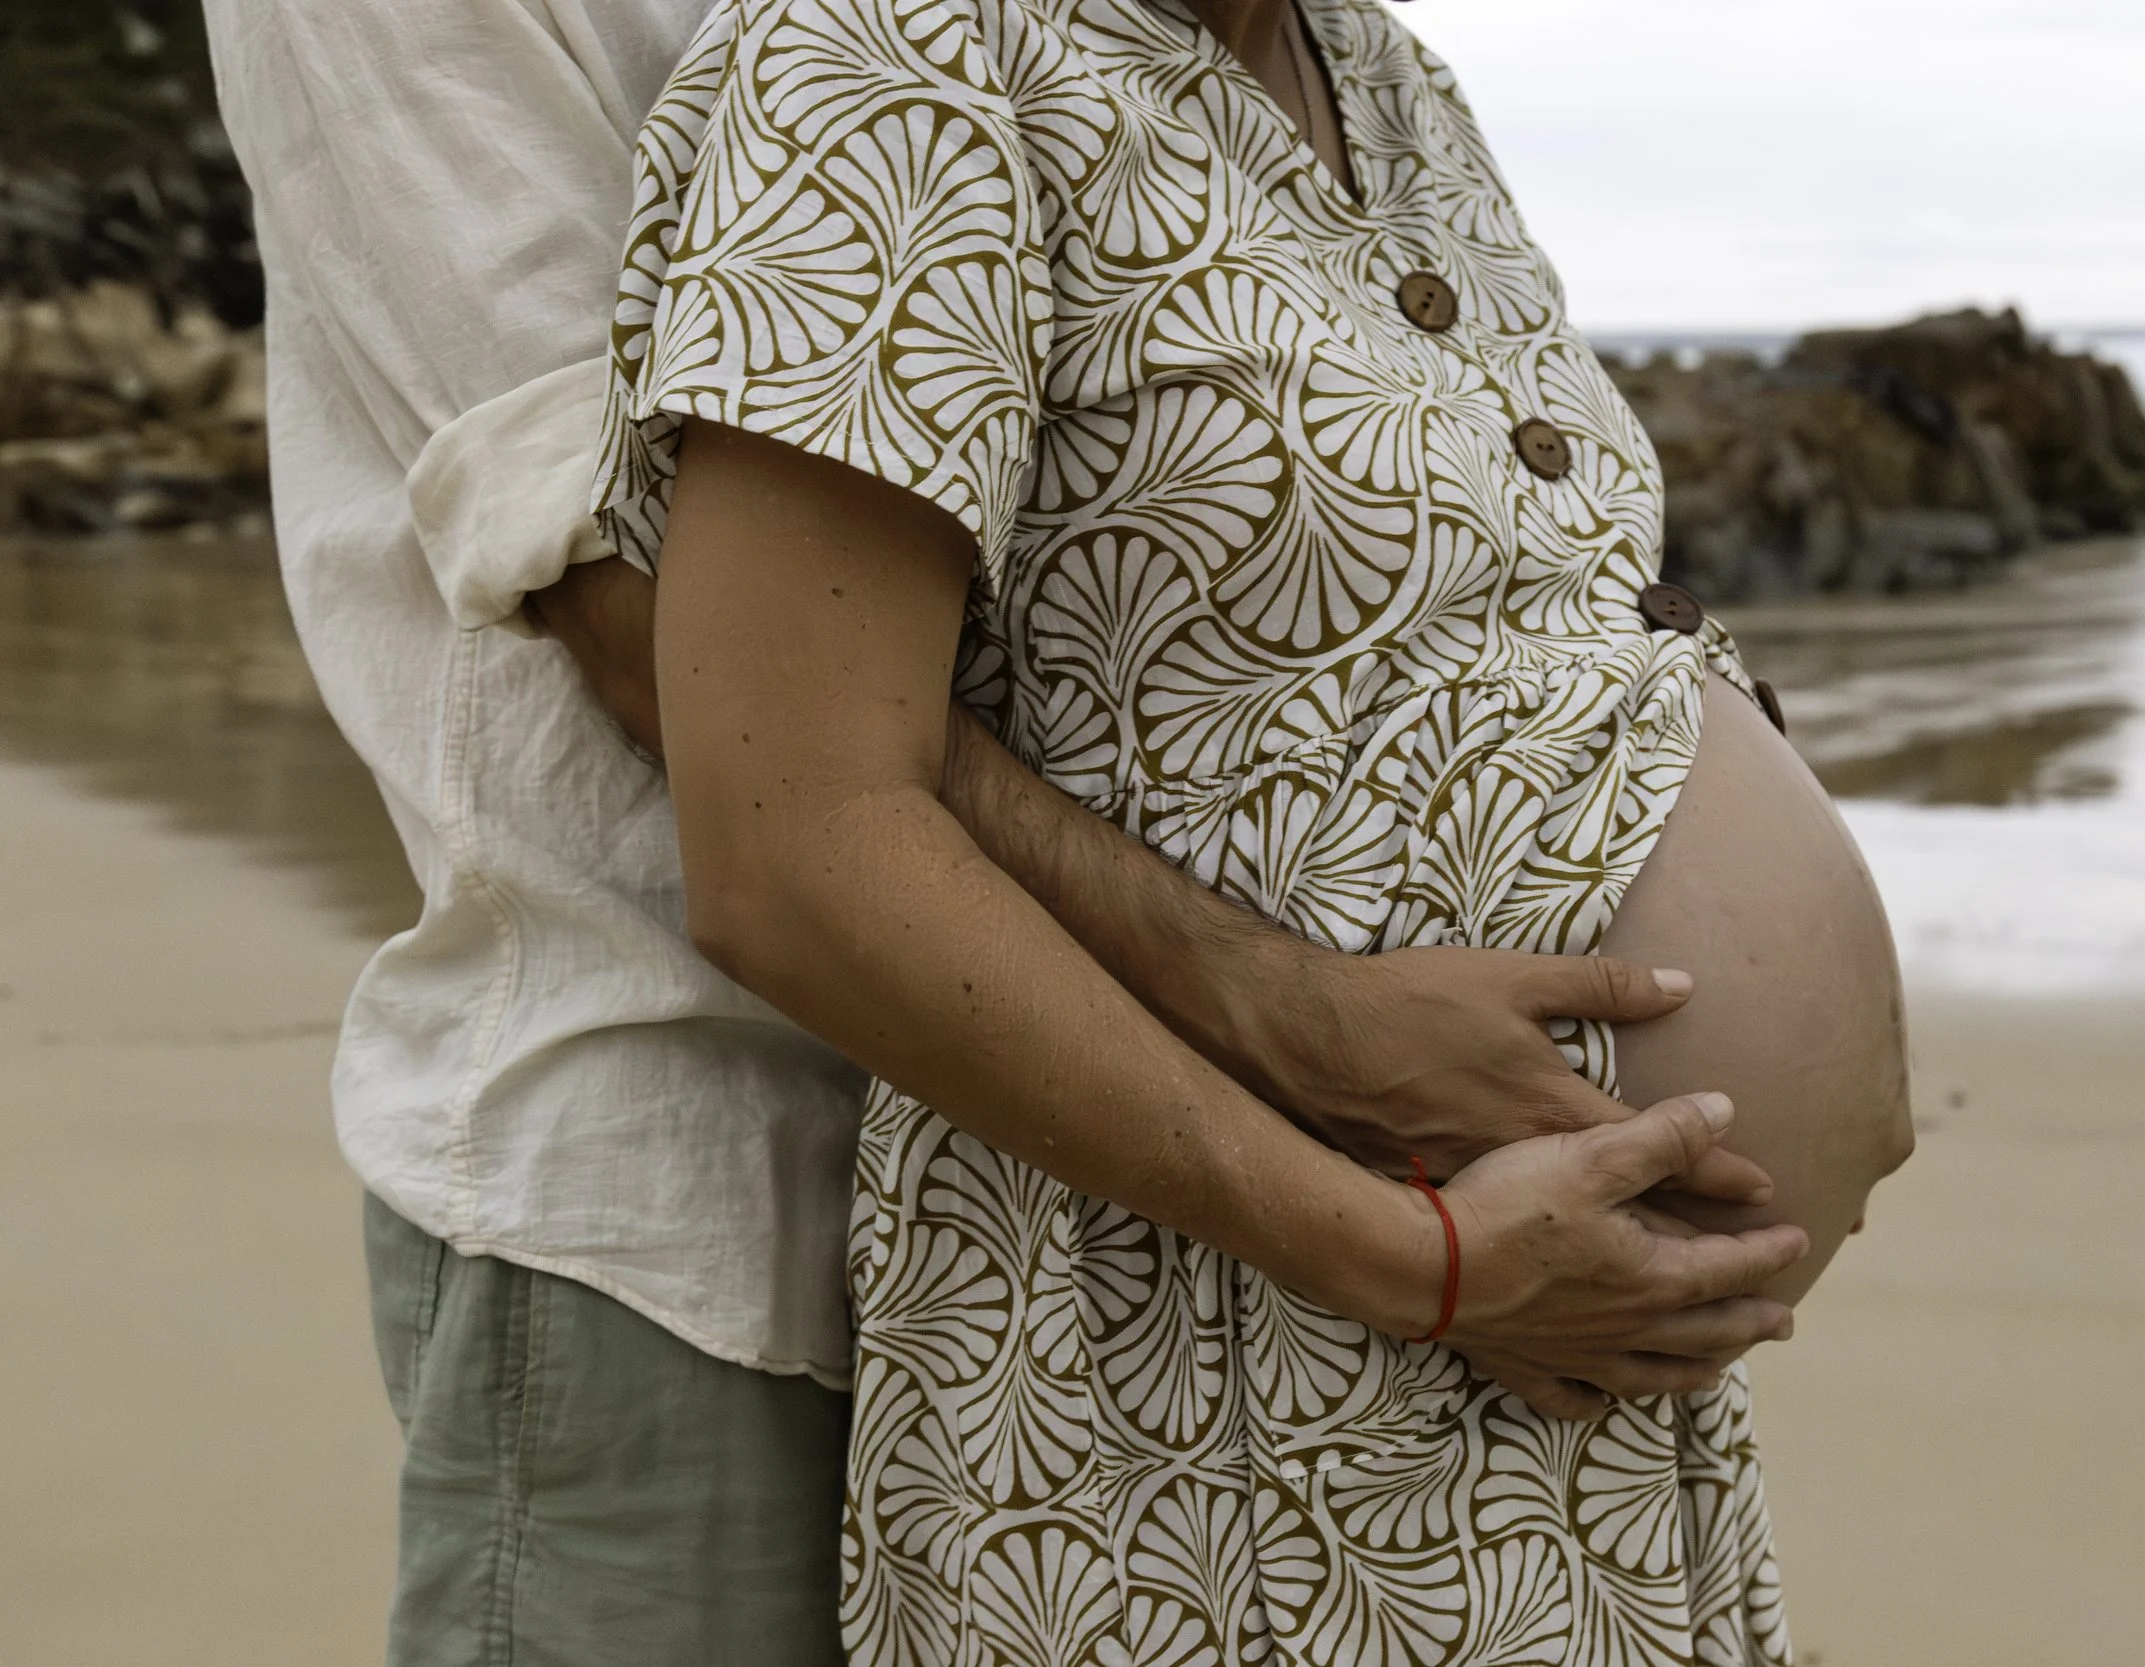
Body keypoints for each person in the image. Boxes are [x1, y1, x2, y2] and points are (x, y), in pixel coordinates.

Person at [202, 1, 1842, 1660]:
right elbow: (663, 636)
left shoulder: (1375, 77)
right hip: (710, 1164)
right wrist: (1313, 1054)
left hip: (1319, 1248)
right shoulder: (871, 52)